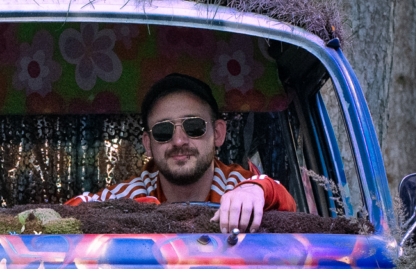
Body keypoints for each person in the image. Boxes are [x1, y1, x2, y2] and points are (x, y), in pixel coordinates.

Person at [65, 73, 295, 232]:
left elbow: (288, 208)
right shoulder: (132, 193)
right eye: (163, 131)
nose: (179, 140)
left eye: (194, 127)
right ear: (148, 143)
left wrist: (257, 190)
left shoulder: (237, 185)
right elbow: (66, 214)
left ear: (218, 133)